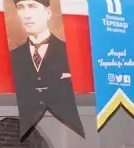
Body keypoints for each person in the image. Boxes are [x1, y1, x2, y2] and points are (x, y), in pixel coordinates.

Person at [8, 0, 82, 139]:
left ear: (48, 13)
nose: (26, 15)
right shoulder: (14, 56)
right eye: (20, 8)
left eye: (32, 6)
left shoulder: (68, 51)